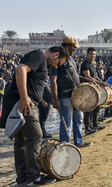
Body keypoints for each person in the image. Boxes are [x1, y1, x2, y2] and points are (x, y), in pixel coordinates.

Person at [0, 46, 69, 186]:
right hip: (24, 104)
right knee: (35, 136)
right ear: (56, 54)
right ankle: (34, 177)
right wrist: (24, 97)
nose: (56, 66)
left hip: (23, 102)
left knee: (21, 140)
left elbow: (33, 82)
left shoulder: (41, 60)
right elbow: (20, 70)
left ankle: (23, 178)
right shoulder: (39, 56)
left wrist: (41, 100)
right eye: (58, 63)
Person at [50, 36, 92, 148]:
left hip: (76, 95)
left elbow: (76, 76)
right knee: (66, 124)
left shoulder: (71, 59)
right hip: (64, 96)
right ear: (67, 47)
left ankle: (78, 141)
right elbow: (53, 79)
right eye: (74, 48)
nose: (75, 50)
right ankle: (66, 146)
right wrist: (55, 99)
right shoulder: (57, 58)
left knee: (79, 119)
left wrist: (90, 80)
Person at [80, 47, 108, 135]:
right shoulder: (85, 64)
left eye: (94, 54)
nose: (92, 56)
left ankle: (95, 124)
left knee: (97, 106)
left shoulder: (93, 63)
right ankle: (87, 128)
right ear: (87, 54)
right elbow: (88, 77)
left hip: (94, 87)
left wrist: (100, 81)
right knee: (88, 107)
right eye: (91, 54)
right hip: (87, 88)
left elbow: (94, 76)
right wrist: (99, 82)